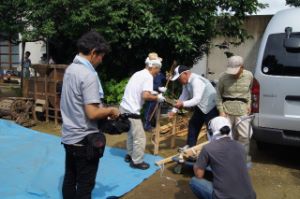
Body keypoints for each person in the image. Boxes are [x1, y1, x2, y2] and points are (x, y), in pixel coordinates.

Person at [60, 31, 119, 199]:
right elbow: (92, 113)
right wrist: (111, 110)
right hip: (84, 140)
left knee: (70, 178)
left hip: (69, 136)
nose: (101, 60)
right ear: (93, 53)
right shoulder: (89, 75)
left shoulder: (71, 69)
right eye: (101, 56)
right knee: (85, 185)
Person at [190, 116, 256, 199]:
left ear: (210, 132)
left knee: (194, 181)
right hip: (250, 196)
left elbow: (199, 175)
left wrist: (197, 164)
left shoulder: (208, 148)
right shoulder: (240, 146)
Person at [120, 52, 166, 170]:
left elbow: (141, 91)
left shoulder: (138, 73)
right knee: (140, 138)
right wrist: (157, 97)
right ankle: (137, 161)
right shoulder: (148, 76)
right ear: (153, 67)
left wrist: (155, 92)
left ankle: (130, 155)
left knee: (131, 134)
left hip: (124, 107)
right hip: (132, 110)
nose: (158, 73)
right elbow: (145, 96)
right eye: (157, 70)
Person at [168, 65, 218, 147]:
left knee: (212, 131)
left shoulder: (196, 81)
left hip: (211, 108)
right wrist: (174, 111)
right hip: (201, 107)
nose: (178, 80)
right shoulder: (186, 82)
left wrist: (182, 104)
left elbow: (196, 100)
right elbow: (183, 96)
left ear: (185, 73)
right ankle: (190, 149)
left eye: (179, 78)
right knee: (193, 125)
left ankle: (214, 151)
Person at [216, 55, 253, 162]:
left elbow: (249, 91)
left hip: (242, 110)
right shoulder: (223, 77)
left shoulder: (249, 75)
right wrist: (221, 110)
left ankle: (240, 157)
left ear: (242, 67)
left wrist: (249, 104)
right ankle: (225, 158)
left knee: (245, 135)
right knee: (224, 135)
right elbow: (218, 94)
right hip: (227, 110)